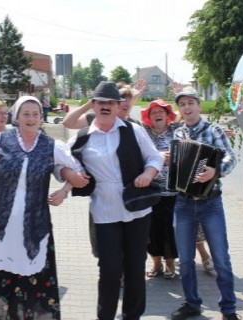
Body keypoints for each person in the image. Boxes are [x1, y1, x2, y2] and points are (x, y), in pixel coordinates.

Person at [0, 96, 89, 319]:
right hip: (0, 222)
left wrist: (64, 191)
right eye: (26, 114)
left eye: (35, 114)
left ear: (41, 117)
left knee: (30, 277)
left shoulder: (51, 146)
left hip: (34, 224)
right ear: (16, 117)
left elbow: (76, 170)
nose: (31, 119)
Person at [67, 81, 163, 320]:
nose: (106, 107)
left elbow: (154, 157)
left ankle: (132, 316)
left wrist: (147, 173)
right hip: (104, 210)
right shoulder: (83, 135)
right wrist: (71, 176)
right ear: (94, 106)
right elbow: (63, 160)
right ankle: (105, 316)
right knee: (109, 270)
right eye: (101, 103)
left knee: (134, 268)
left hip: (136, 209)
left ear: (119, 105)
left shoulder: (133, 130)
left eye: (111, 102)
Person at [169, 86, 239, 320]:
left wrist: (215, 171)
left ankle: (228, 309)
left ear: (199, 105)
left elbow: (231, 156)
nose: (187, 108)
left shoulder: (213, 130)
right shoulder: (179, 135)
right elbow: (176, 165)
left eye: (190, 103)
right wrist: (168, 162)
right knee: (186, 259)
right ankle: (192, 303)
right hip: (184, 203)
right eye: (182, 104)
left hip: (210, 203)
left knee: (221, 257)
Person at [62, 80, 147, 258]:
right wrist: (92, 101)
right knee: (106, 246)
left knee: (131, 244)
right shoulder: (96, 120)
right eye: (103, 101)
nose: (124, 103)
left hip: (131, 199)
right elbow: (68, 123)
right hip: (103, 200)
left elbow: (149, 156)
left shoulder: (134, 127)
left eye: (126, 100)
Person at [140, 99, 179, 280]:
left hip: (172, 191)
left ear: (167, 115)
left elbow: (193, 118)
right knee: (150, 229)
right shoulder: (143, 132)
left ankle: (170, 263)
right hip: (150, 190)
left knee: (169, 229)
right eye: (153, 112)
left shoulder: (176, 131)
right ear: (148, 117)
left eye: (160, 112)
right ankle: (156, 263)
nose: (157, 115)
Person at [62, 79, 147, 129]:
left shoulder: (134, 125)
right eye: (123, 100)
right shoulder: (97, 119)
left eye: (130, 100)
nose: (128, 104)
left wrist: (134, 96)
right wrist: (90, 104)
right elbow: (67, 123)